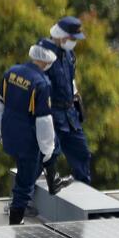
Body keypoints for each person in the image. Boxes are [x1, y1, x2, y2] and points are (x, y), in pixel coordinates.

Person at [0, 44, 58, 225]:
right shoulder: (41, 84)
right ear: (46, 61)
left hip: (9, 133)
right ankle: (16, 220)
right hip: (28, 141)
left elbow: (0, 105)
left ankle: (52, 177)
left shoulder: (12, 73)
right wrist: (47, 150)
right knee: (25, 183)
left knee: (51, 148)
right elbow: (43, 121)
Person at [37, 16, 91, 187]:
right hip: (50, 113)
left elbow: (70, 80)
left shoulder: (69, 55)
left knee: (82, 152)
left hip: (69, 114)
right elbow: (36, 84)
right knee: (45, 155)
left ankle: (84, 188)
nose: (74, 42)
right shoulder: (43, 54)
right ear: (62, 36)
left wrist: (76, 98)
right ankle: (24, 199)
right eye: (72, 39)